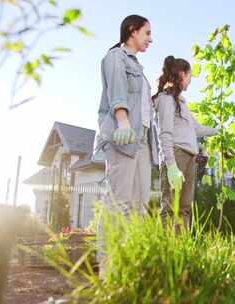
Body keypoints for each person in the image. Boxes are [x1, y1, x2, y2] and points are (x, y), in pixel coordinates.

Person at [96, 14, 159, 267]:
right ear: (132, 31)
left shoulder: (140, 70)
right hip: (124, 136)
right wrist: (122, 122)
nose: (150, 39)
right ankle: (107, 269)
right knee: (118, 203)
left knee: (140, 205)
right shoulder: (115, 58)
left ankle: (130, 266)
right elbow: (117, 92)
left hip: (142, 141)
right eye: (147, 33)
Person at [152, 56, 217, 230]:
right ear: (182, 74)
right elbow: (164, 134)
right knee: (170, 206)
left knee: (185, 208)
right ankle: (166, 251)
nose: (190, 81)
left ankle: (182, 248)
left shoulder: (181, 101)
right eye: (190, 76)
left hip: (189, 157)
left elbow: (195, 128)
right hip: (176, 155)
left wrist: (217, 130)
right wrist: (171, 165)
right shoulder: (166, 99)